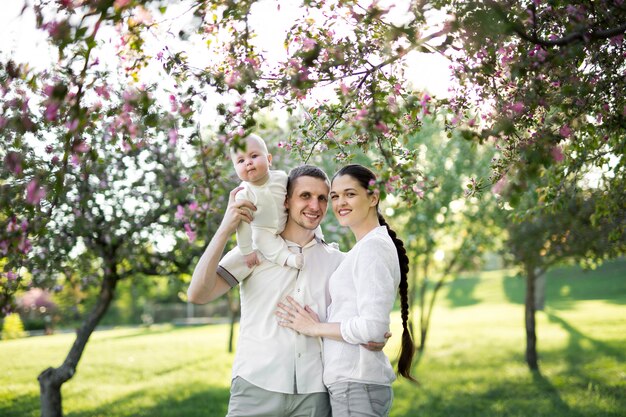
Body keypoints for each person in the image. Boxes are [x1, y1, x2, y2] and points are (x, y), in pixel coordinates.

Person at [187, 165, 386, 417]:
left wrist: (374, 335)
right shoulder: (255, 251)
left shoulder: (338, 262)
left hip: (315, 395)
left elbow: (361, 321)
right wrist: (226, 228)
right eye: (305, 196)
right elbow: (198, 294)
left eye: (322, 198)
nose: (314, 206)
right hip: (255, 386)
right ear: (286, 200)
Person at [276, 164, 416, 417]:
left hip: (357, 384)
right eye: (335, 196)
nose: (341, 202)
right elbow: (371, 326)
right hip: (352, 385)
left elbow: (372, 327)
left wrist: (314, 328)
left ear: (373, 198)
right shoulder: (363, 249)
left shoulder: (373, 248)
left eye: (350, 194)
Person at [230, 133, 303, 269]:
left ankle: (319, 239)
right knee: (262, 241)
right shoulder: (243, 195)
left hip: (286, 221)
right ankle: (289, 259)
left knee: (305, 214)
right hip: (263, 229)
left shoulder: (281, 178)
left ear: (269, 159)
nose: (248, 162)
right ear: (235, 169)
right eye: (241, 161)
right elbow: (243, 226)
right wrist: (247, 251)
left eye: (254, 156)